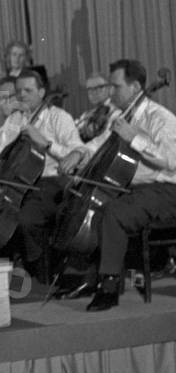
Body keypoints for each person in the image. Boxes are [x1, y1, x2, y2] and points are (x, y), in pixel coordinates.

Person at [64, 59, 176, 311]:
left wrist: (133, 138)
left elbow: (171, 160)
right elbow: (99, 144)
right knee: (94, 207)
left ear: (135, 86)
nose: (110, 92)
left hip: (167, 190)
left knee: (114, 213)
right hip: (137, 189)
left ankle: (110, 286)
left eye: (115, 86)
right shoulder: (123, 116)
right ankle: (88, 276)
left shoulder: (160, 117)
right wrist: (80, 154)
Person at [0, 69, 83, 276]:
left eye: (28, 90)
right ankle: (11, 260)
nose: (22, 95)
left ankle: (37, 265)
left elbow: (77, 152)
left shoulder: (59, 117)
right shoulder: (16, 119)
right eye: (19, 91)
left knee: (25, 217)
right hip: (20, 182)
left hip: (52, 181)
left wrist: (46, 143)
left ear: (42, 92)